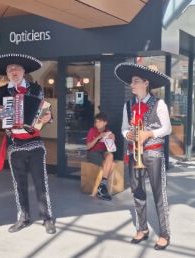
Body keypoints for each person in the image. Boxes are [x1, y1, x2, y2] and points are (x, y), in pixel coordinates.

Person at [0, 53, 56, 234]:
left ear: (23, 71)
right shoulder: (2, 92)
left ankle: (47, 218)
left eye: (17, 68)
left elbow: (45, 110)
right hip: (14, 143)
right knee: (19, 183)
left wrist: (49, 117)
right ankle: (23, 217)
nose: (13, 71)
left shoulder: (36, 89)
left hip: (34, 142)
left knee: (41, 182)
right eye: (10, 69)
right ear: (7, 74)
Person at [115, 62, 172, 250]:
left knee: (158, 193)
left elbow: (167, 128)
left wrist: (149, 134)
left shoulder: (159, 104)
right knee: (137, 192)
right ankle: (142, 229)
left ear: (146, 83)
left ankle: (164, 234)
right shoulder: (128, 105)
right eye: (132, 82)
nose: (131, 85)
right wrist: (127, 135)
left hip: (154, 153)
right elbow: (124, 128)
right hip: (134, 153)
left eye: (135, 81)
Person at [86, 112, 115, 201]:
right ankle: (102, 187)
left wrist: (113, 139)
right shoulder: (92, 130)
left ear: (105, 123)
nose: (97, 124)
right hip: (93, 153)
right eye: (96, 122)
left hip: (104, 152)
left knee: (110, 155)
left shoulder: (108, 132)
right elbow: (88, 147)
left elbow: (111, 149)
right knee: (112, 165)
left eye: (99, 122)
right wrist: (98, 137)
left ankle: (102, 186)